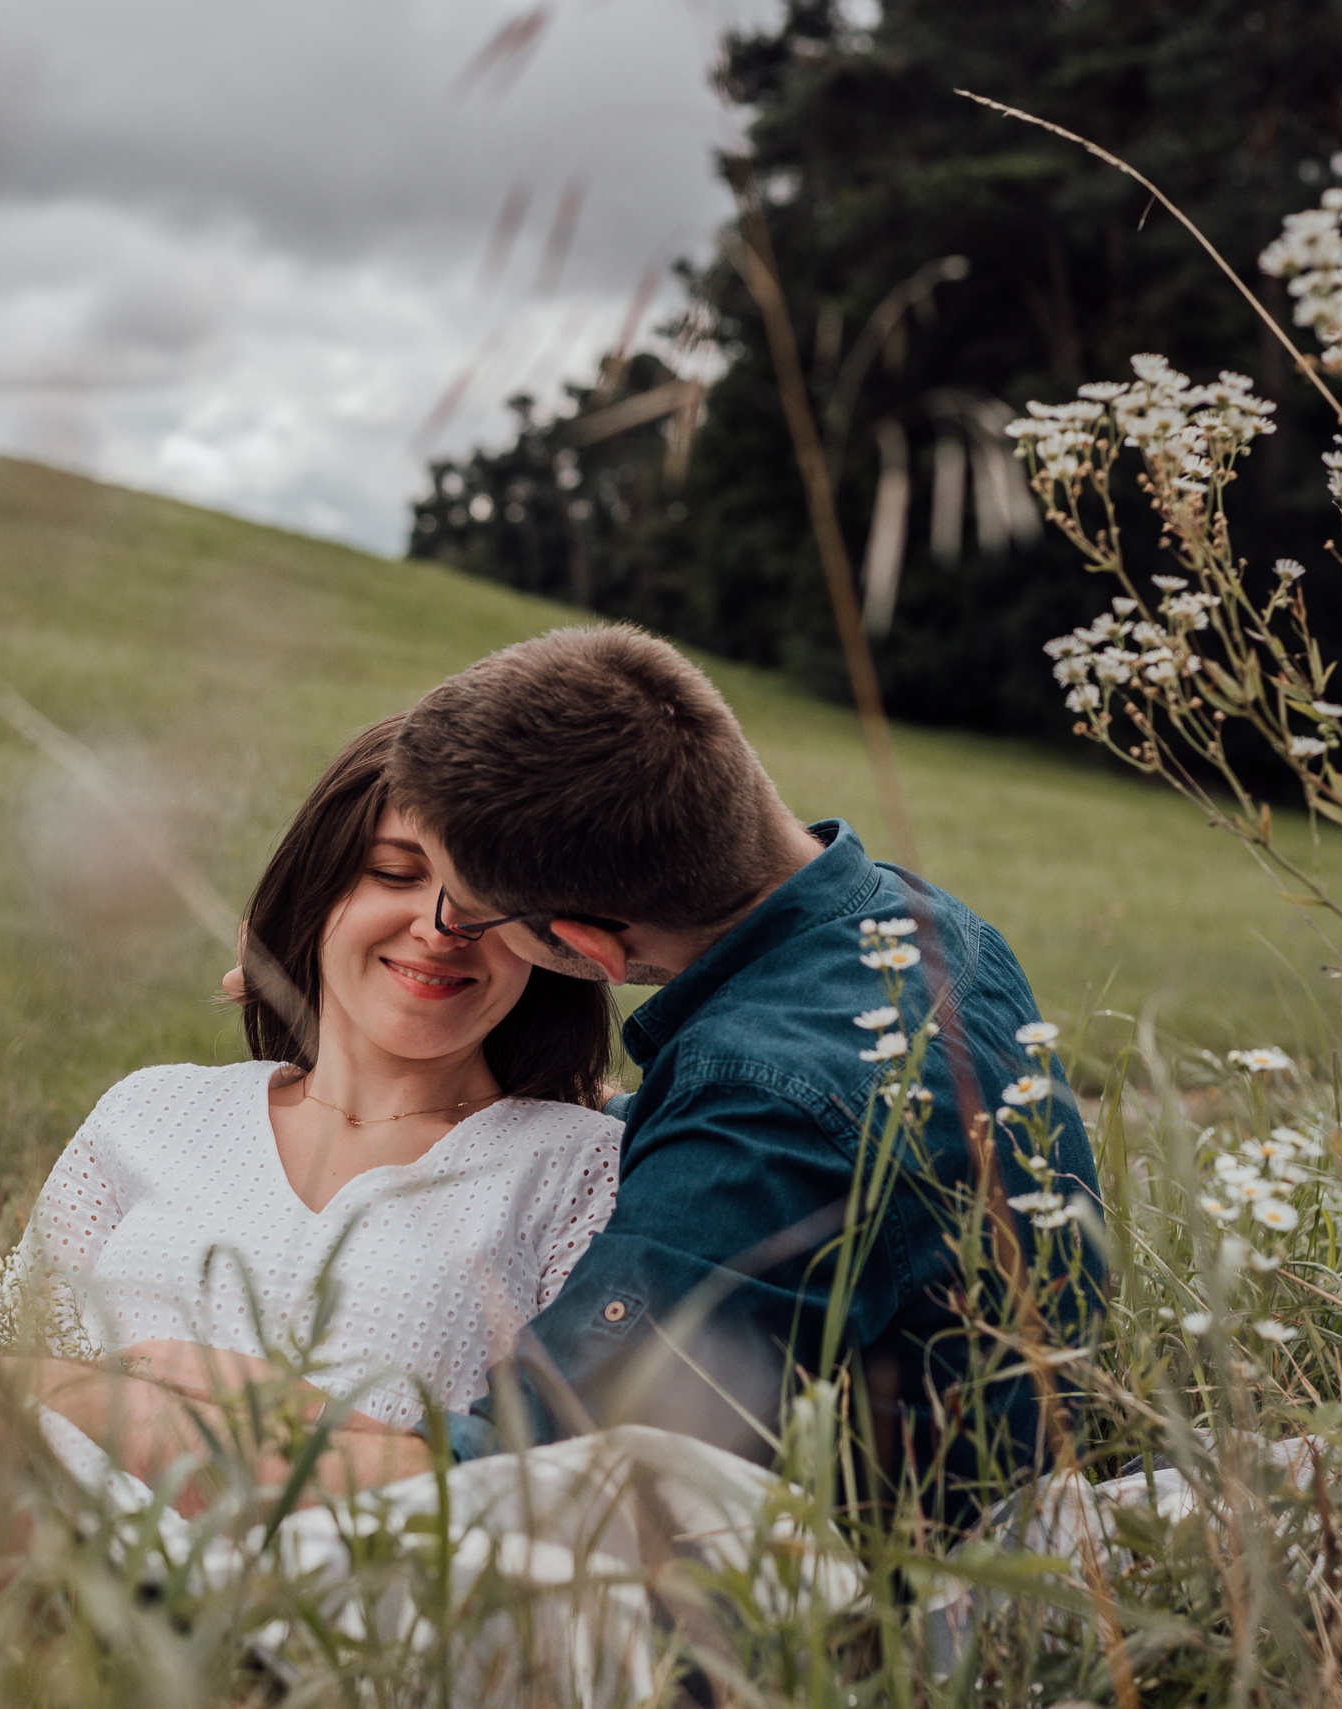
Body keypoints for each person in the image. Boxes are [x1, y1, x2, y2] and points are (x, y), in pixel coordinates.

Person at [0, 715, 623, 1596]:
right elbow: (15, 1356)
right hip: (43, 1537)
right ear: (320, 885)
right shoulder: (155, 1111)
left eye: (491, 901)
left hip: (326, 1583)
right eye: (395, 872)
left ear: (550, 945)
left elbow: (544, 1472)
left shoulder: (576, 1163)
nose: (442, 926)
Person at [378, 624, 1106, 1529]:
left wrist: (211, 1414)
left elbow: (522, 1467)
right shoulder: (906, 921)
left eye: (468, 911)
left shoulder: (764, 1110)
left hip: (877, 1607)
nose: (445, 928)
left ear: (593, 944)